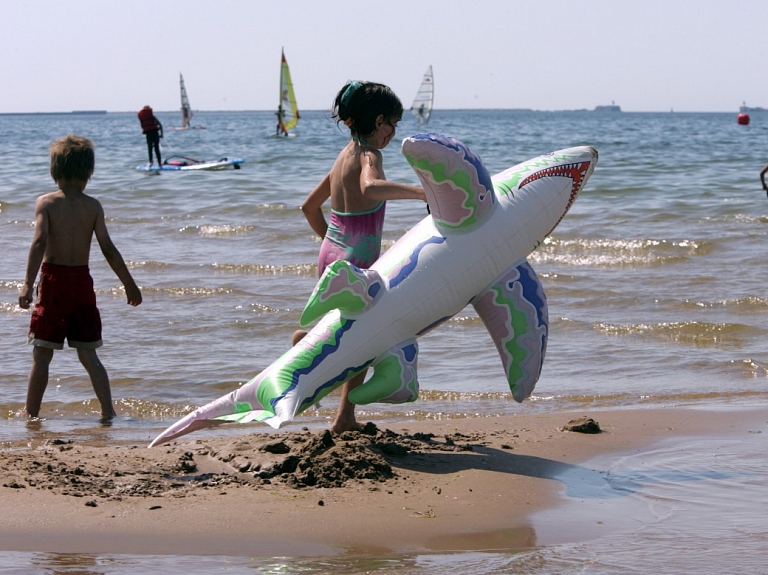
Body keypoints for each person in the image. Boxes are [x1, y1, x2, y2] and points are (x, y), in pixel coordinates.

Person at [294, 80, 426, 433]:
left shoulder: (343, 157)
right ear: (379, 120)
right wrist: (421, 191)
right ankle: (344, 417)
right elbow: (370, 187)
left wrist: (334, 244)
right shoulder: (370, 155)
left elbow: (309, 207)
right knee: (365, 338)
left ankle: (308, 345)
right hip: (358, 260)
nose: (393, 134)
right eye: (392, 125)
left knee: (347, 329)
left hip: (332, 253)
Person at [18, 135, 143, 421]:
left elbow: (39, 243)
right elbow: (108, 249)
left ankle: (31, 414)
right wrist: (129, 283)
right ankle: (108, 412)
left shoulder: (46, 203)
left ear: (55, 171)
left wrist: (27, 283)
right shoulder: (93, 206)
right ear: (89, 173)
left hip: (54, 284)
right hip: (82, 284)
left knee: (42, 355)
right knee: (89, 355)